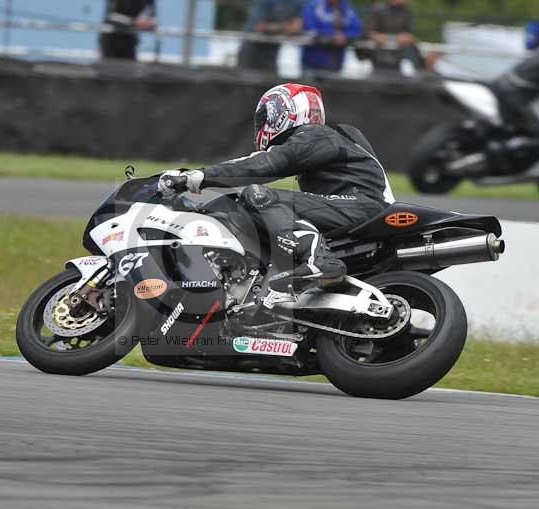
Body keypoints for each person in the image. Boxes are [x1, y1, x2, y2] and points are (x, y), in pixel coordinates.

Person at [159, 84, 395, 293]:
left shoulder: (317, 135)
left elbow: (265, 164)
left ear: (284, 111)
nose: (263, 124)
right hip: (354, 207)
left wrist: (198, 177)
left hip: (363, 206)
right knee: (260, 212)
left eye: (266, 116)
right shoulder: (322, 140)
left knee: (258, 195)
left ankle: (321, 261)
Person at [237, 0, 307, 72]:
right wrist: (284, 26)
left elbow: (296, 28)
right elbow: (260, 27)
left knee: (270, 81)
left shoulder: (298, 3)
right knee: (244, 80)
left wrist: (274, 27)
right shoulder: (266, 2)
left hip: (272, 50)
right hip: (252, 48)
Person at [366, 0, 431, 74]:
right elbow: (371, 33)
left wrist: (402, 39)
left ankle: (423, 72)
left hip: (399, 50)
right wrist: (392, 38)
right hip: (378, 50)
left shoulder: (407, 11)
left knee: (412, 48)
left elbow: (408, 35)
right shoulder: (378, 9)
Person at [300, 0, 363, 77]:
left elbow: (357, 29)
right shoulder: (314, 5)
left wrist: (344, 36)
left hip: (336, 64)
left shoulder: (346, 7)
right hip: (312, 63)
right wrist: (333, 35)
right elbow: (309, 28)